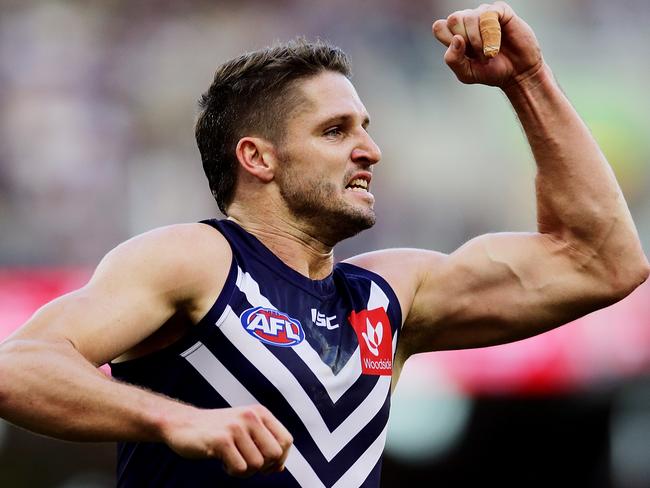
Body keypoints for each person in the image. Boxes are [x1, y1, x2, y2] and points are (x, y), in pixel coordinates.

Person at [0, 2, 648, 487]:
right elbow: (17, 368)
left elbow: (602, 263)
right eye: (336, 130)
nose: (370, 150)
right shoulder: (197, 261)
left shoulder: (390, 296)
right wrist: (173, 419)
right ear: (258, 157)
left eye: (366, 128)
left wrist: (527, 81)